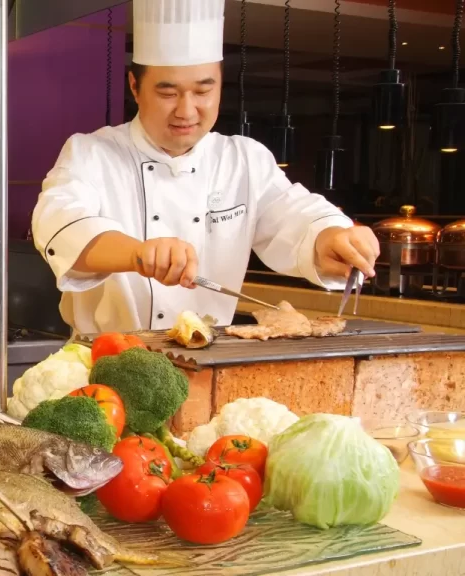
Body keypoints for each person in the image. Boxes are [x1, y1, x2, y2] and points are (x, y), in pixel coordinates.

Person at [31, 0, 380, 336]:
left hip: (209, 362)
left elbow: (295, 215)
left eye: (202, 91)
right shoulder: (92, 152)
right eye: (168, 93)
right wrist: (138, 253)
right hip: (105, 360)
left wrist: (333, 236)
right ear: (135, 87)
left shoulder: (244, 159)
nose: (187, 111)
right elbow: (58, 223)